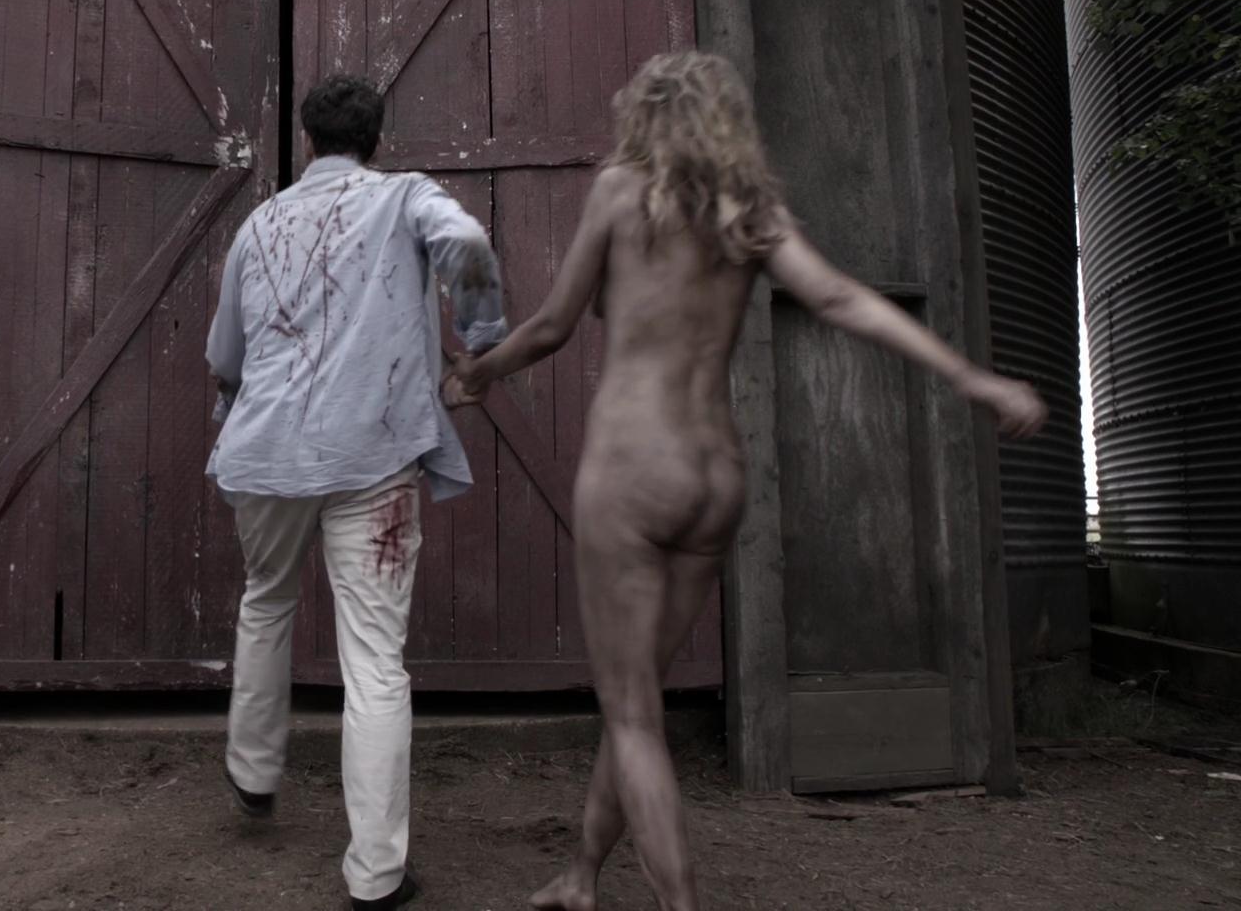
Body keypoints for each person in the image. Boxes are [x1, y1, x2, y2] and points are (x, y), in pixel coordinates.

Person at [446, 51, 1046, 911]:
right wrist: (970, 378)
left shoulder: (619, 191)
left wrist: (478, 373)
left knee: (631, 713)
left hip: (634, 469)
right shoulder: (750, 211)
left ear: (644, 115)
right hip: (715, 476)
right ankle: (581, 874)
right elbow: (838, 297)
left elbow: (549, 327)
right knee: (636, 702)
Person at [206, 75, 508, 910]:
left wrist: (243, 413)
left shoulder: (258, 225)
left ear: (307, 141)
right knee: (375, 663)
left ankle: (253, 772)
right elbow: (467, 243)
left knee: (266, 597)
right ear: (377, 141)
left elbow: (225, 359)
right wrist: (481, 342)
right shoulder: (404, 197)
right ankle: (375, 877)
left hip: (266, 455)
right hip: (374, 456)